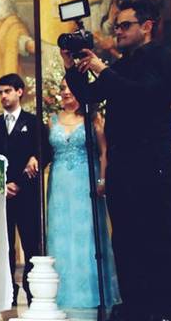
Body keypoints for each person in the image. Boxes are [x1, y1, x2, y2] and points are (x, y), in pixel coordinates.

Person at [63, 1, 171, 320]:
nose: (118, 31)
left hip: (150, 162)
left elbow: (145, 96)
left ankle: (165, 309)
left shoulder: (164, 60)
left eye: (125, 25)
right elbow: (90, 97)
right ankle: (134, 307)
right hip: (123, 164)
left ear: (147, 26)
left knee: (155, 237)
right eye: (115, 26)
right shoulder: (124, 64)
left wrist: (102, 69)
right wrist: (70, 67)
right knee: (126, 239)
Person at [46, 80, 120, 310]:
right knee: (61, 232)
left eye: (69, 87)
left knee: (86, 232)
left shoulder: (93, 118)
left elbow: (104, 150)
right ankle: (61, 293)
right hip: (59, 183)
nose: (65, 92)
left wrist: (102, 179)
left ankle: (90, 292)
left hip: (84, 180)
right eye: (62, 89)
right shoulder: (52, 120)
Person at [0, 74, 51, 307]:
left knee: (32, 245)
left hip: (28, 195)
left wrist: (34, 159)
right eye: (0, 92)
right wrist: (2, 184)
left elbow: (46, 153)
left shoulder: (33, 123)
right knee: (4, 246)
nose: (3, 96)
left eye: (8, 91)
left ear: (20, 92)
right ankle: (7, 293)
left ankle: (34, 295)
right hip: (1, 196)